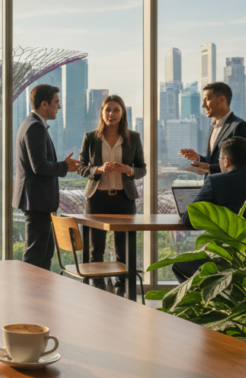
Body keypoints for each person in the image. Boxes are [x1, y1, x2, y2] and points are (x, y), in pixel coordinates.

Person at [173, 137, 246, 283]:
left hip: (226, 258)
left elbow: (189, 220)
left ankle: (211, 302)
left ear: (226, 161)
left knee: (179, 266)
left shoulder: (215, 181)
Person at [78, 95, 146, 296]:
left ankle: (122, 291)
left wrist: (129, 170)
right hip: (97, 199)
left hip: (124, 200)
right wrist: (98, 169)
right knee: (95, 250)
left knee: (123, 250)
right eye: (108, 110)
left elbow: (142, 168)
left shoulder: (133, 137)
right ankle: (97, 292)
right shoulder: (90, 138)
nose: (111, 114)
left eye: (116, 110)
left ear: (123, 113)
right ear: (101, 112)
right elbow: (81, 168)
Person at [13, 84, 81, 270]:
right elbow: (39, 166)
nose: (59, 107)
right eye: (56, 102)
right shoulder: (35, 127)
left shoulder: (31, 124)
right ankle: (28, 297)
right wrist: (65, 166)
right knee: (35, 255)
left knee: (44, 253)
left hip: (37, 202)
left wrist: (63, 165)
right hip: (37, 202)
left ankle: (39, 296)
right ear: (44, 104)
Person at [179, 81, 246, 176]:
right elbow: (217, 161)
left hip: (228, 189)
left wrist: (208, 168)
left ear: (221, 100)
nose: (203, 105)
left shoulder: (240, 126)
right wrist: (198, 158)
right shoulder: (212, 127)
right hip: (212, 187)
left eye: (207, 99)